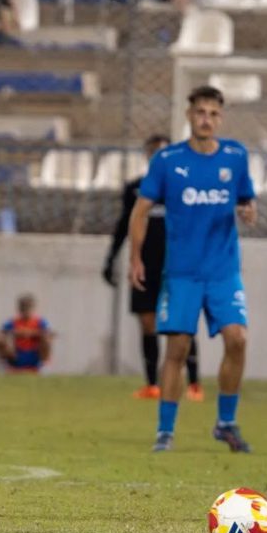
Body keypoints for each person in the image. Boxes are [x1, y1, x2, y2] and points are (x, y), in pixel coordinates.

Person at [128, 85, 256, 453]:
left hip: (223, 271)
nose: (206, 120)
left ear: (221, 118)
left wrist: (248, 210)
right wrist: (135, 257)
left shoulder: (235, 156)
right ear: (189, 116)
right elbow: (140, 211)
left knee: (238, 339)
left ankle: (226, 423)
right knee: (178, 349)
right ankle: (165, 431)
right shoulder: (168, 160)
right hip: (182, 273)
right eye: (200, 112)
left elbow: (246, 201)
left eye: (213, 114)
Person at [103, 134, 203, 401]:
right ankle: (152, 384)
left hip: (178, 267)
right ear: (147, 156)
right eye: (154, 152)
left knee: (182, 324)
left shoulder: (186, 189)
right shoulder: (136, 189)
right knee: (147, 322)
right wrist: (111, 258)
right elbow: (124, 225)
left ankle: (194, 384)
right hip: (144, 266)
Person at [0, 294, 54, 373]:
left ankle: (44, 365)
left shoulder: (40, 322)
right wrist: (15, 333)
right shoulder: (12, 322)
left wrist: (31, 333)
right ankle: (3, 364)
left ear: (33, 308)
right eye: (23, 307)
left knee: (47, 338)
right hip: (17, 354)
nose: (26, 311)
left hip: (35, 354)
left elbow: (50, 333)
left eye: (28, 307)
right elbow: (0, 333)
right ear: (19, 308)